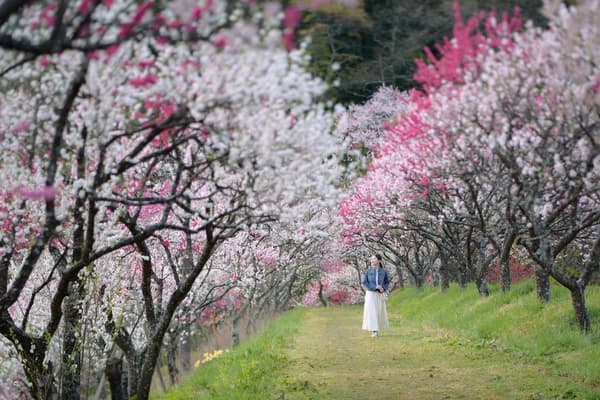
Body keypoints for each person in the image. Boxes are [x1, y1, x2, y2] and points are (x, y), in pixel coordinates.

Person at [362, 253, 389, 337]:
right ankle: (374, 331)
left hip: (379, 294)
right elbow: (365, 282)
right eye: (371, 259)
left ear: (379, 260)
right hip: (370, 294)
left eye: (374, 259)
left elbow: (387, 282)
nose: (372, 260)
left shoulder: (383, 271)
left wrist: (383, 288)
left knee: (378, 311)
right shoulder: (368, 271)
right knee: (372, 311)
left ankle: (377, 329)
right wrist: (374, 287)